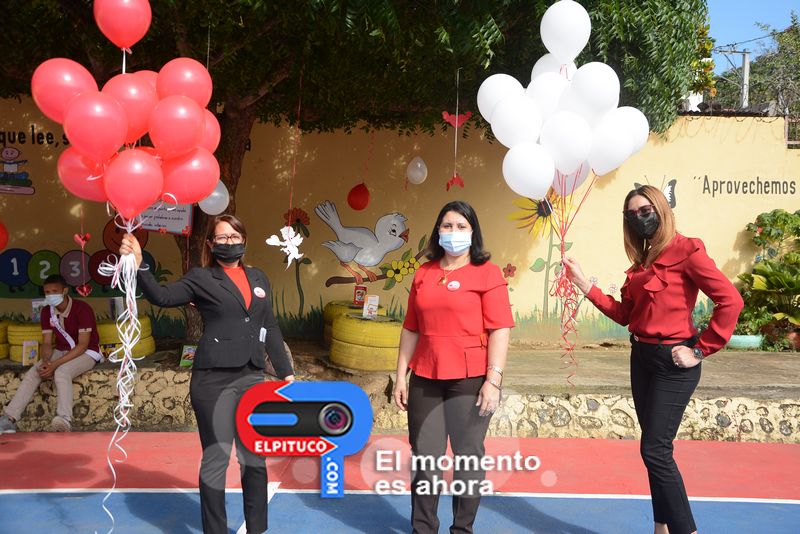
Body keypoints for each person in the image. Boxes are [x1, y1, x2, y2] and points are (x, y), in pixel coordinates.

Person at [562, 185, 743, 534]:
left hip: (673, 363)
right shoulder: (642, 263)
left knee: (655, 451)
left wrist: (701, 349)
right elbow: (625, 315)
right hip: (642, 358)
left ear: (662, 210)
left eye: (646, 210)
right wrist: (584, 284)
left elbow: (731, 301)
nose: (639, 218)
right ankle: (661, 527)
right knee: (655, 450)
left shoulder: (688, 251)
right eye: (632, 214)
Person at [120, 214, 295, 534]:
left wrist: (285, 371)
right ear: (211, 244)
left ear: (244, 240)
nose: (229, 242)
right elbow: (162, 296)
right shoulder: (201, 277)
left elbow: (269, 325)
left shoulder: (259, 277)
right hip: (213, 380)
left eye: (234, 236)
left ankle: (258, 529)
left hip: (252, 377)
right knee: (216, 459)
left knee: (254, 459)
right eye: (222, 238)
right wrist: (139, 263)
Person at [393, 200, 513, 534]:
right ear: (438, 231)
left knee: (468, 457)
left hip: (470, 379)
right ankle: (423, 528)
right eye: (447, 225)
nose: (453, 232)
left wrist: (493, 380)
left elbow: (500, 328)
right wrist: (401, 376)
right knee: (425, 456)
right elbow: (410, 328)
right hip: (425, 378)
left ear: (473, 232)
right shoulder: (424, 273)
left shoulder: (487, 272)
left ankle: (462, 528)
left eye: (461, 226)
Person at [0, 274, 102, 433]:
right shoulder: (47, 311)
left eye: (55, 291)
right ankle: (9, 419)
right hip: (61, 350)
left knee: (62, 372)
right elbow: (47, 342)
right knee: (35, 371)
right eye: (47, 292)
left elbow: (82, 345)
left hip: (88, 352)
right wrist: (46, 361)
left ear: (65, 291)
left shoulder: (82, 309)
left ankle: (64, 419)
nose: (50, 295)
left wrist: (54, 365)